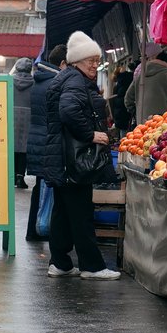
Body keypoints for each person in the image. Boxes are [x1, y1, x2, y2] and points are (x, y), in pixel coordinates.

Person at [43, 31, 120, 281]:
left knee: (63, 214)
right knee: (81, 214)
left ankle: (61, 263)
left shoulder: (67, 78)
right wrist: (91, 135)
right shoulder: (75, 81)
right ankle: (92, 266)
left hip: (63, 158)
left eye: (97, 61)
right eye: (91, 61)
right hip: (74, 160)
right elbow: (69, 111)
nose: (95, 65)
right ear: (77, 61)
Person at [25, 45, 64, 242]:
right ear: (63, 63)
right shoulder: (55, 83)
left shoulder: (40, 80)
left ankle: (34, 229)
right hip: (47, 142)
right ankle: (39, 227)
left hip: (38, 140)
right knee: (45, 187)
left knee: (40, 186)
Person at [125, 49, 167, 123]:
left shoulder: (140, 76)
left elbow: (128, 99)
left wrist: (137, 111)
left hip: (142, 121)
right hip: (163, 120)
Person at [11, 57, 34, 189]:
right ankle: (20, 177)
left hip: (12, 116)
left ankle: (12, 175)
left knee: (12, 148)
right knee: (24, 149)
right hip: (28, 118)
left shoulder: (9, 81)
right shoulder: (34, 82)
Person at [109, 61, 136, 133]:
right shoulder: (130, 81)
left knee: (124, 137)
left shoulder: (118, 86)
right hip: (126, 115)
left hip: (120, 115)